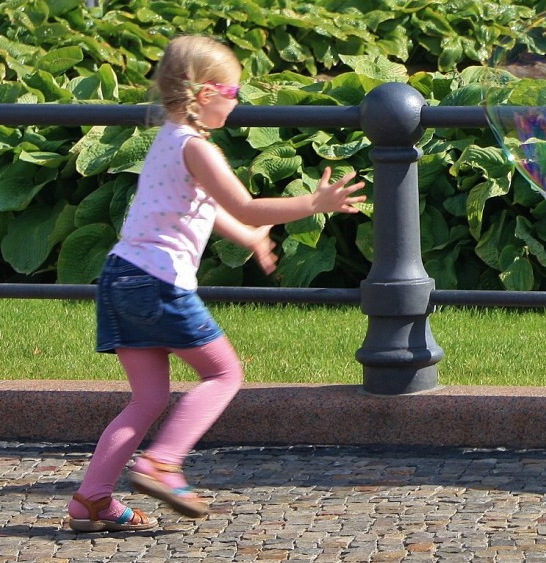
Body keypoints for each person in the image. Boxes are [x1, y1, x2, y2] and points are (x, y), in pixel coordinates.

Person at [67, 34, 366, 532]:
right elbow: (244, 204)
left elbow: (197, 207)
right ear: (205, 94)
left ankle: (92, 499)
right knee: (224, 374)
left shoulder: (165, 140)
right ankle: (162, 463)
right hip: (159, 282)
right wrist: (313, 204)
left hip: (120, 279)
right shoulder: (197, 148)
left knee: (147, 400)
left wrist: (250, 239)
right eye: (233, 92)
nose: (237, 102)